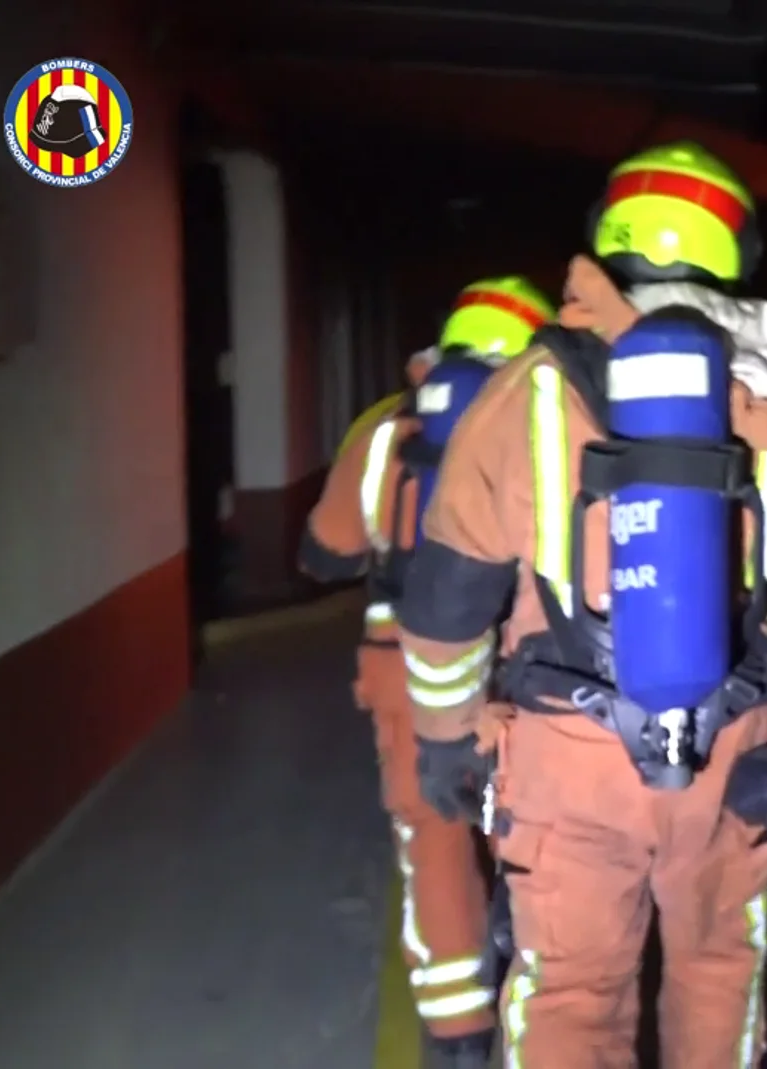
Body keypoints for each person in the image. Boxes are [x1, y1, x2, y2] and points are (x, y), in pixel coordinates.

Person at [396, 142, 767, 1067]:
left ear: (606, 241)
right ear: (733, 246)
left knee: (570, 989)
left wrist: (446, 735)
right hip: (727, 756)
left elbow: (451, 595)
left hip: (564, 755)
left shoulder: (532, 388)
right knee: (717, 968)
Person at [302, 276, 556, 1069]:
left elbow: (322, 553)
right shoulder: (549, 419)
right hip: (527, 682)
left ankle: (458, 1036)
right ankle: (541, 1011)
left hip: (408, 679)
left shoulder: (386, 429)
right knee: (541, 842)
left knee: (436, 845)